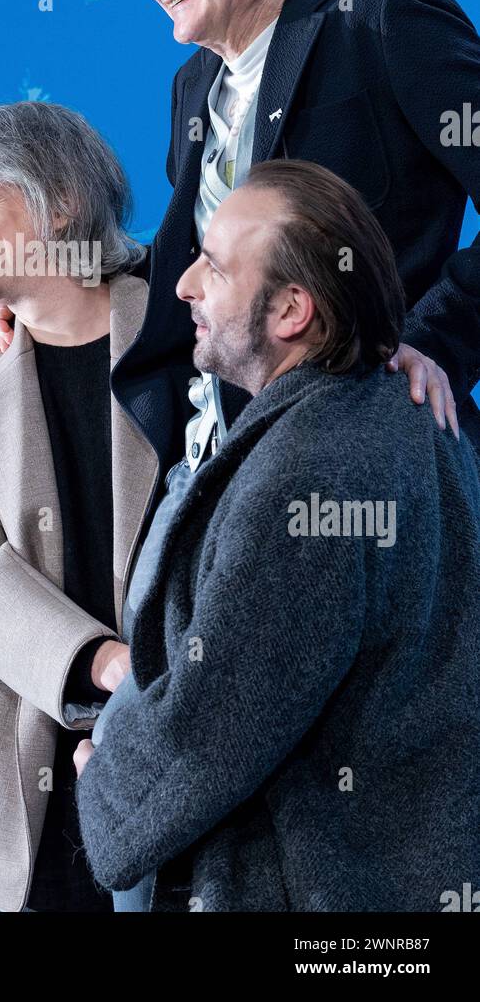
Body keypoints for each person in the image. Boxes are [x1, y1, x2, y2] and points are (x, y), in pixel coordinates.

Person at [0, 0, 479, 519]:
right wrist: (43, 278)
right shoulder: (192, 87)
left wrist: (435, 342)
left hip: (366, 459)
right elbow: (188, 269)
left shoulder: (380, 20)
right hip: (219, 469)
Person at [73, 159, 480, 912]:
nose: (185, 286)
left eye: (214, 269)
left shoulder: (306, 472)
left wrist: (106, 784)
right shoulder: (416, 415)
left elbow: (218, 723)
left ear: (291, 310)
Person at [0, 101, 160, 912]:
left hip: (208, 770)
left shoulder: (198, 343)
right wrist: (105, 664)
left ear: (58, 201)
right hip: (49, 805)